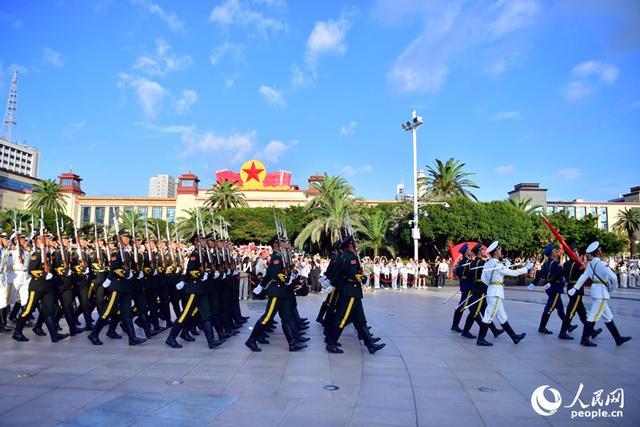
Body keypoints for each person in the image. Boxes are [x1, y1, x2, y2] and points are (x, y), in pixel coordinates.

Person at [245, 236, 307, 352]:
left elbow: (269, 274)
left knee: (287, 318)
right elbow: (275, 274)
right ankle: (251, 340)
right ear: (275, 244)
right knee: (267, 317)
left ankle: (292, 343)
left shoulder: (281, 256)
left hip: (282, 291)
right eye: (282, 241)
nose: (284, 243)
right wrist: (286, 278)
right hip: (276, 291)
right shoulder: (275, 257)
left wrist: (262, 285)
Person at [325, 235, 385, 354]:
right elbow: (352, 275)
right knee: (342, 318)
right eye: (355, 243)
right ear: (350, 245)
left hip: (353, 292)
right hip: (350, 292)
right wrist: (362, 277)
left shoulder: (345, 256)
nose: (357, 244)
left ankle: (370, 345)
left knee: (360, 320)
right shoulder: (351, 258)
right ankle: (331, 343)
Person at [568, 241, 632, 347]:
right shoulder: (602, 264)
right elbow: (613, 277)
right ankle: (585, 339)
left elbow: (583, 277)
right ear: (598, 252)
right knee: (592, 316)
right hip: (601, 293)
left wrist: (575, 288)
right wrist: (613, 287)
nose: (602, 252)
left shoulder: (591, 264)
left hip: (596, 291)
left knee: (608, 317)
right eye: (601, 250)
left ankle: (618, 338)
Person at [12, 232, 68, 343]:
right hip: (37, 287)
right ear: (38, 241)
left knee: (48, 311)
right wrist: (44, 275)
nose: (48, 240)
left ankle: (54, 335)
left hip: (48, 288)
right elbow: (31, 270)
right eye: (46, 238)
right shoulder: (36, 254)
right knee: (28, 310)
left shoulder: (47, 254)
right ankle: (17, 332)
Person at [476, 241, 533, 346]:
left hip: (492, 291)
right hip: (496, 293)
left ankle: (514, 337)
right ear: (496, 252)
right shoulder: (497, 265)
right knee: (488, 316)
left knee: (502, 317)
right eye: (500, 250)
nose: (501, 251)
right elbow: (514, 273)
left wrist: (505, 266)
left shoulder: (488, 263)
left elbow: (484, 279)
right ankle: (480, 339)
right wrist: (527, 268)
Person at [557, 244, 602, 341]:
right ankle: (563, 332)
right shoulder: (578, 264)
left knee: (582, 313)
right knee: (571, 312)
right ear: (573, 253)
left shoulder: (566, 264)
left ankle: (592, 332)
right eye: (576, 251)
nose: (578, 253)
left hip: (570, 287)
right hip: (576, 290)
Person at [527, 243, 571, 335]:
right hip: (555, 288)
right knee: (549, 308)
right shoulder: (555, 263)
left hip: (550, 288)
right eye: (554, 251)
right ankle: (542, 327)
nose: (556, 253)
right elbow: (559, 274)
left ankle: (568, 326)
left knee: (560, 309)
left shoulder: (546, 263)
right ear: (552, 253)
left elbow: (539, 274)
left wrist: (533, 283)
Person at [452, 244, 473, 333]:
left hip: (465, 285)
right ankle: (455, 325)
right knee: (462, 306)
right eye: (468, 250)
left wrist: (461, 282)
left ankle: (455, 325)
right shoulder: (468, 262)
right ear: (466, 253)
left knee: (473, 309)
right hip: (468, 287)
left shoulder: (461, 262)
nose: (470, 251)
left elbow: (457, 273)